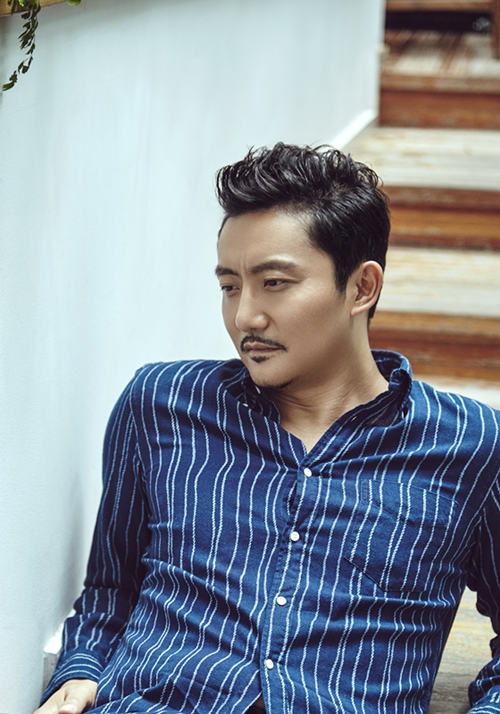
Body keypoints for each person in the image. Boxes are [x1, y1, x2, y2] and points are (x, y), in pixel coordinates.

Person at [34, 142, 500, 714]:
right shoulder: (162, 404)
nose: (245, 317)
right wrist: (80, 670)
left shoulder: (470, 445)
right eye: (230, 286)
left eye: (274, 282)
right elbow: (111, 591)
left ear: (361, 288)